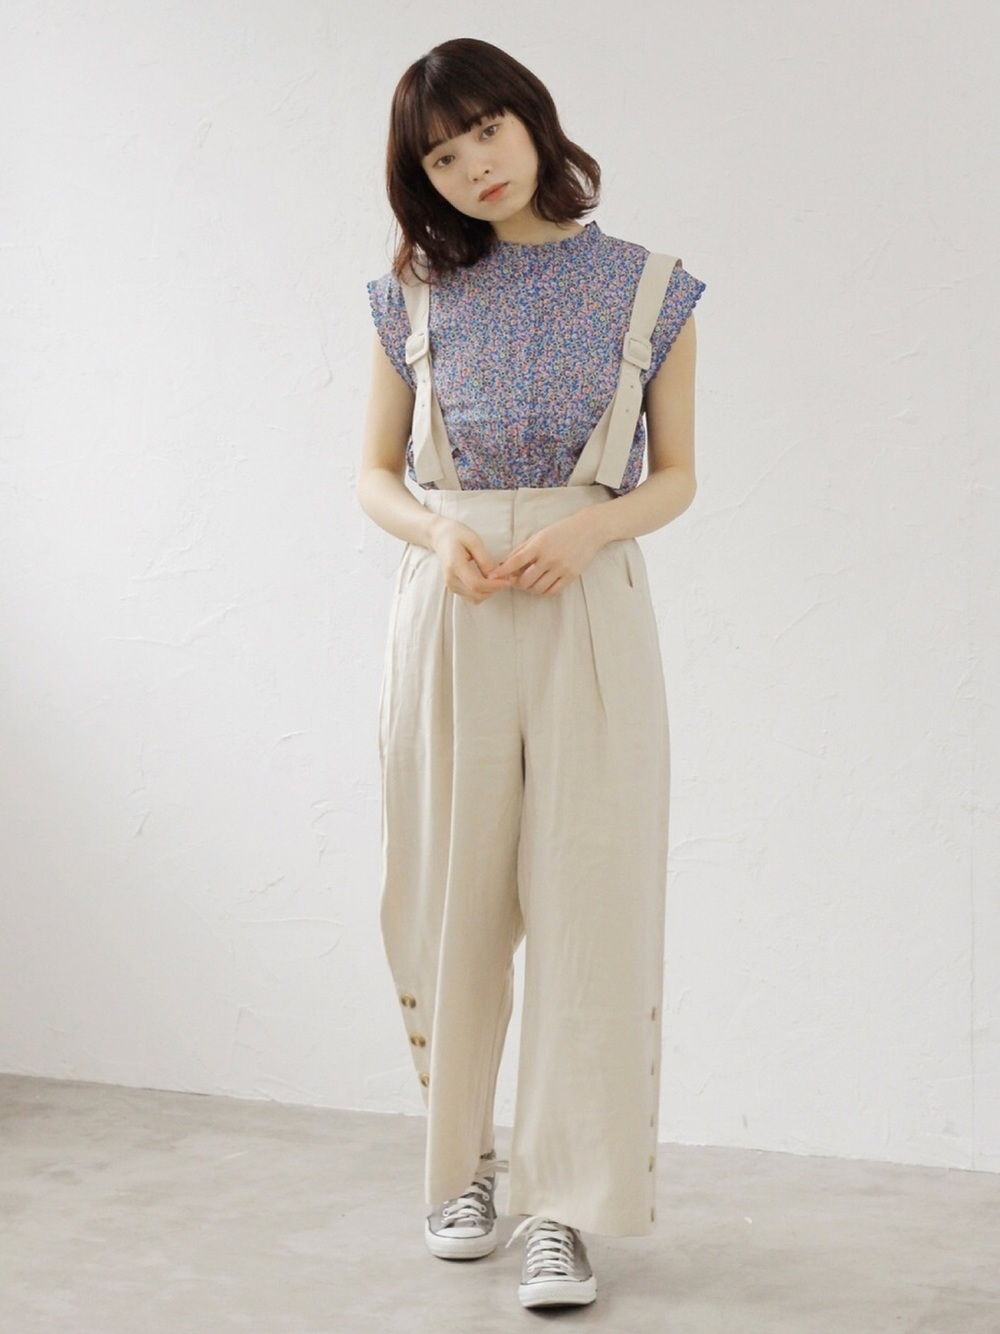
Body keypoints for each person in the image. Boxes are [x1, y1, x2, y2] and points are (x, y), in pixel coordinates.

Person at [358, 37, 705, 1311]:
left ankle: (565, 1205)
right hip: (449, 607)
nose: (473, 168)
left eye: (485, 133)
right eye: (441, 159)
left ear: (531, 119)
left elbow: (677, 473)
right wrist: (436, 530)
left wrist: (590, 527)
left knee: (587, 900)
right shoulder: (411, 296)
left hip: (585, 603)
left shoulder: (647, 285)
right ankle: (465, 1169)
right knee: (448, 898)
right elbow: (372, 473)